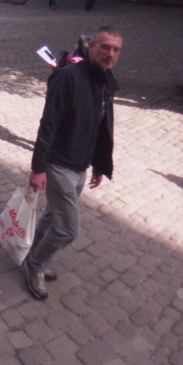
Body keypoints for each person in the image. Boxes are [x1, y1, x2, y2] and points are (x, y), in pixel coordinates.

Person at [20, 26, 122, 301]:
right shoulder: (67, 76)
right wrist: (39, 168)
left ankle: (31, 255)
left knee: (53, 216)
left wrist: (100, 164)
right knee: (68, 229)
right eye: (105, 47)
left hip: (81, 164)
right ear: (91, 47)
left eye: (115, 49)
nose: (110, 53)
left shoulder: (103, 79)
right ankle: (35, 265)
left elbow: (103, 125)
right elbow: (48, 124)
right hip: (58, 163)